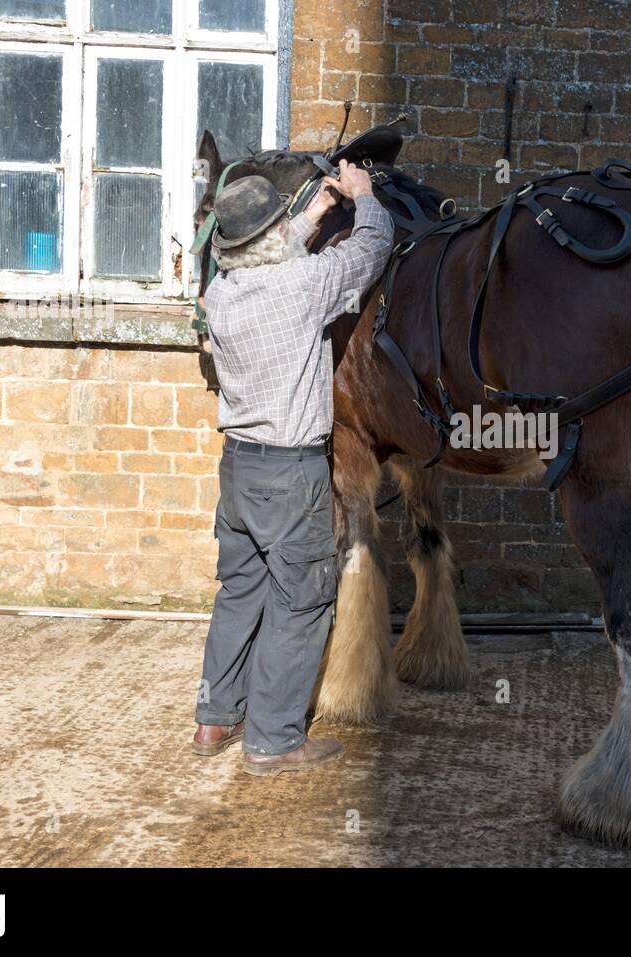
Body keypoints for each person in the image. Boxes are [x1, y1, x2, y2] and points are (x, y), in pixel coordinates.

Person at [192, 159, 393, 774]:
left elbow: (269, 254)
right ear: (275, 237)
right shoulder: (304, 287)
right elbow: (373, 247)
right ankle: (275, 740)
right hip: (291, 473)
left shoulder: (220, 294)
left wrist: (314, 212)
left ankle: (215, 717)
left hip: (239, 471)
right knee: (301, 600)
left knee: (240, 591)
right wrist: (361, 196)